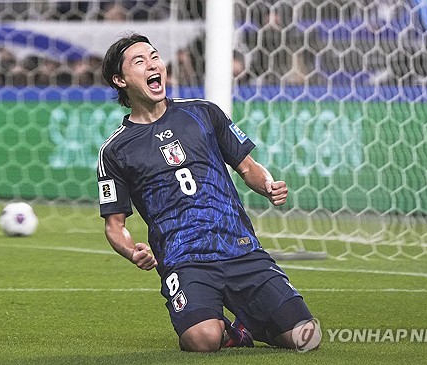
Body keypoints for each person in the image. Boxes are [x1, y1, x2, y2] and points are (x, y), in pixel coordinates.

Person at [97, 33, 321, 352]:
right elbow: (114, 224)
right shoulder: (115, 150)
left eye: (154, 56)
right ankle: (230, 332)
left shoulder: (203, 112)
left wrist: (267, 185)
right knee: (202, 340)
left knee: (307, 337)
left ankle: (254, 322)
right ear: (120, 80)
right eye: (140, 61)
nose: (152, 64)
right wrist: (133, 250)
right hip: (183, 258)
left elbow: (248, 166)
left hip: (239, 247)